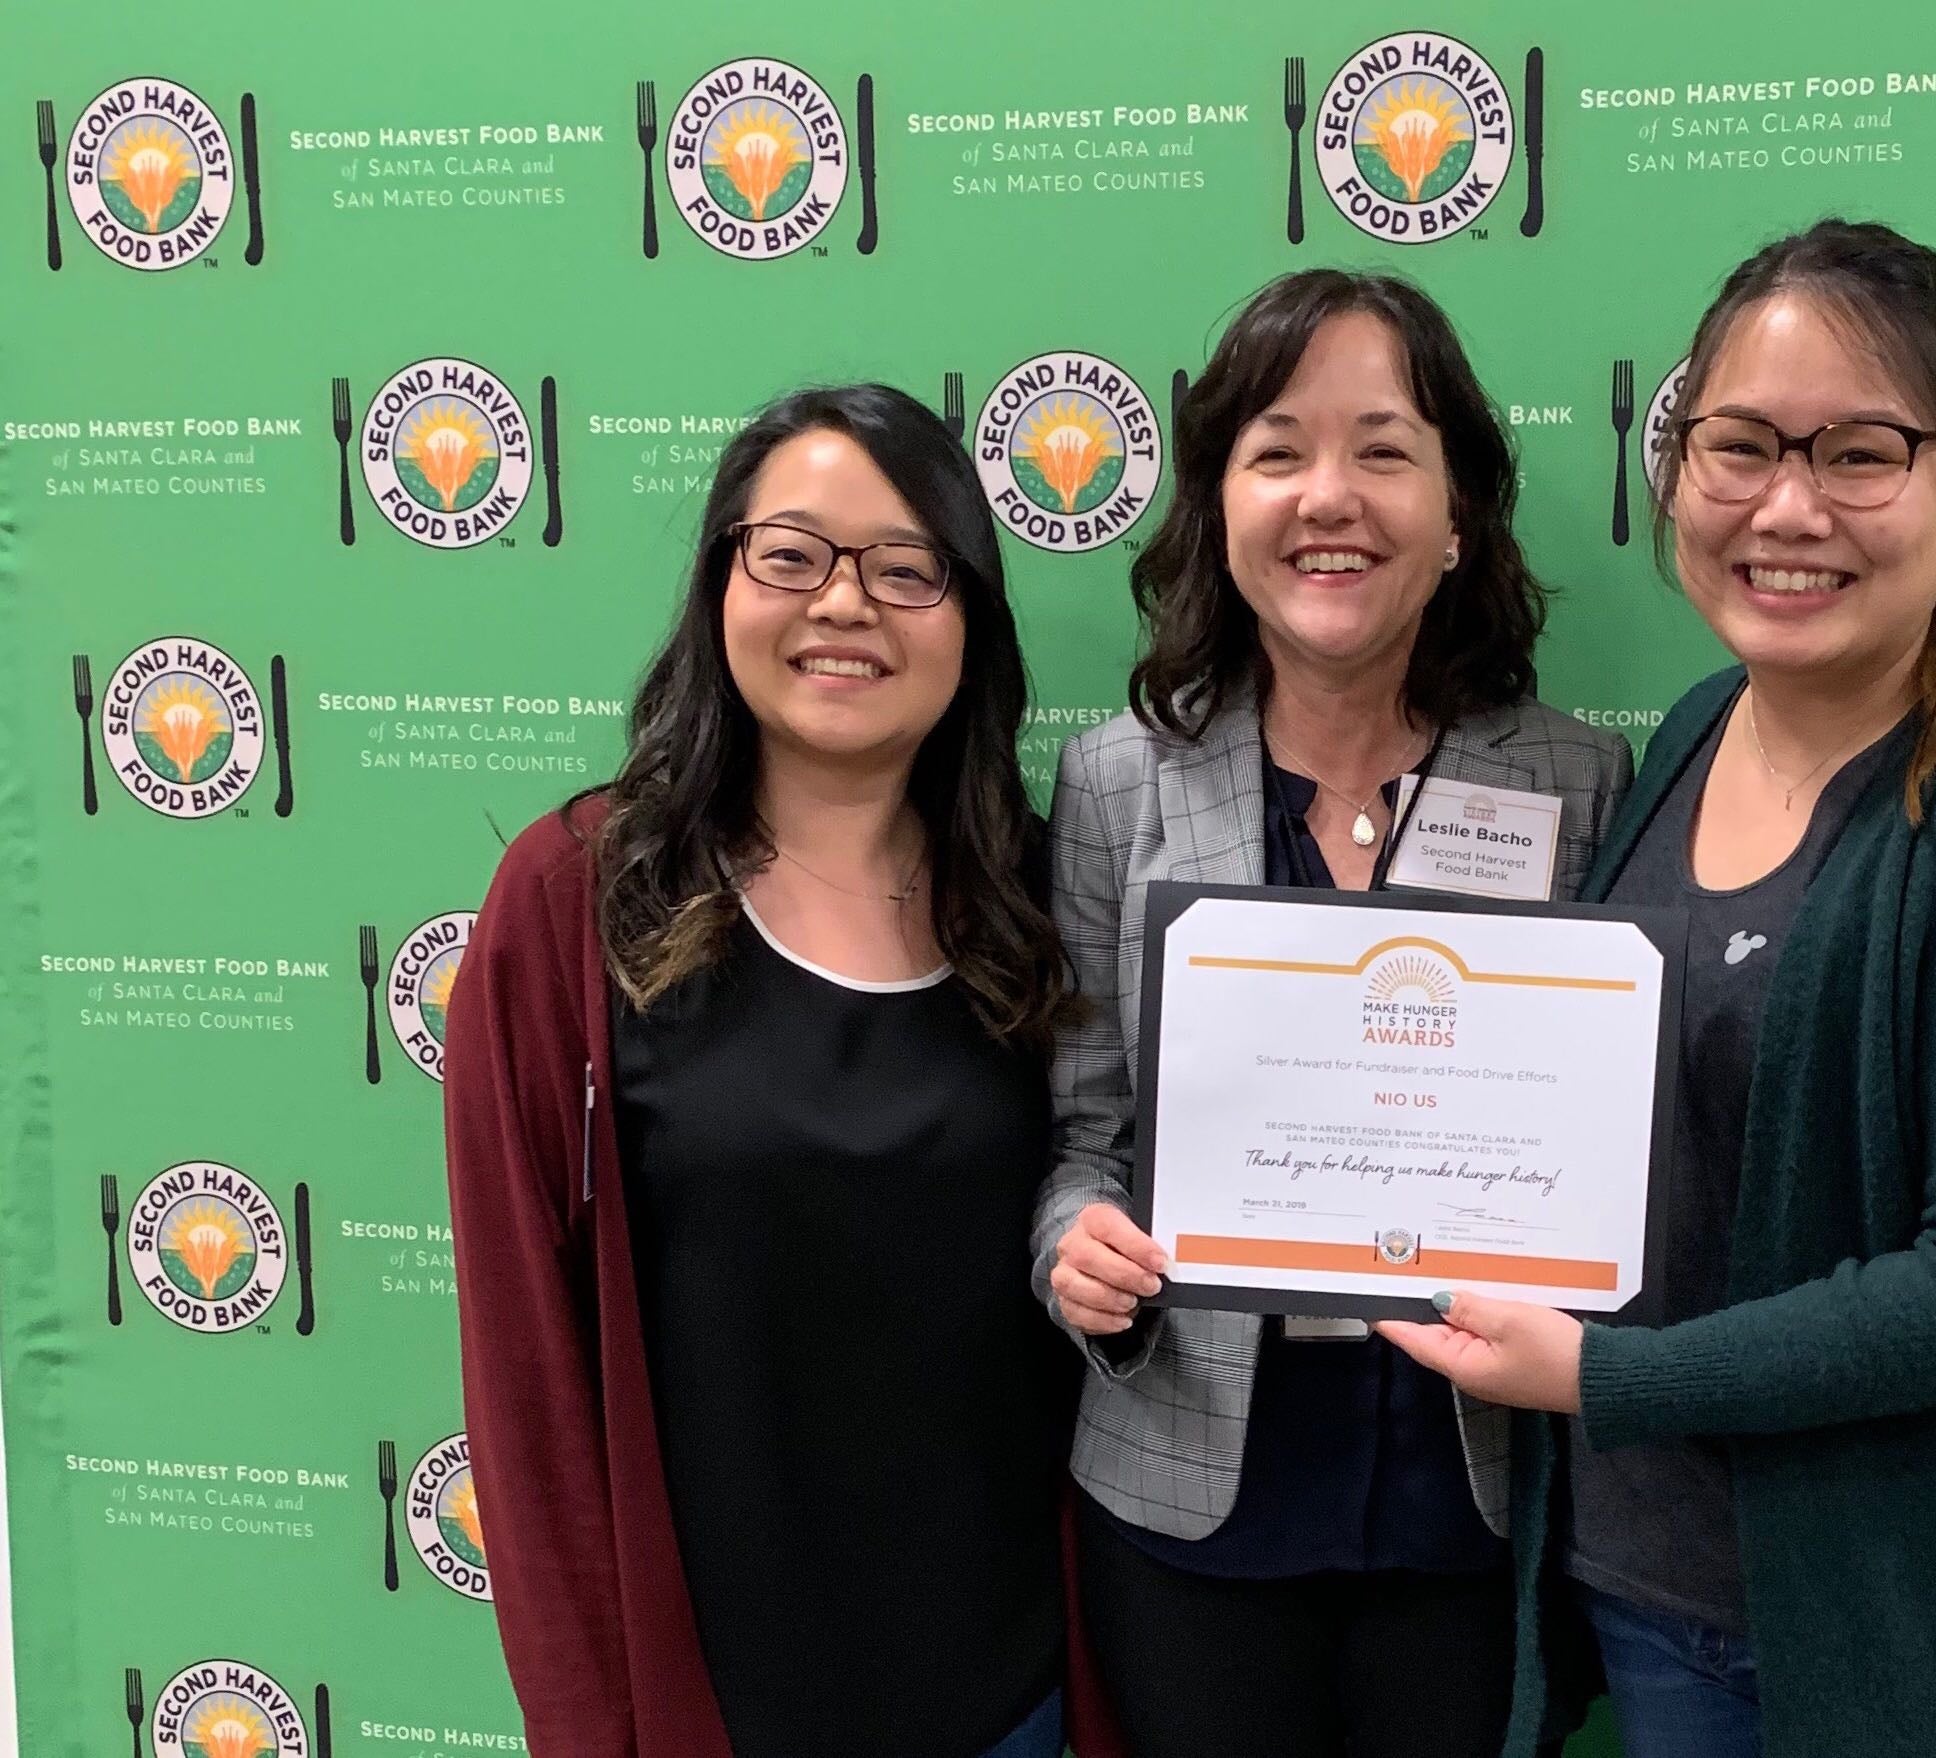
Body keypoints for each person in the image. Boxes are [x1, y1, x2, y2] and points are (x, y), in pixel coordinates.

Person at [1379, 218, 1936, 1758]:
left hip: (1918, 1634)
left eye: (1860, 454)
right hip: (1664, 1587)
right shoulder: (1701, 725)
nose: (1785, 506)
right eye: (1740, 444)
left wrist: (1609, 1376)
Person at [1032, 269, 1634, 1758]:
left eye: (1383, 447)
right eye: (1279, 449)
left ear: (1456, 514)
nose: (1330, 496)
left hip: (1475, 1506)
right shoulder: (1119, 780)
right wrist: (1072, 1245)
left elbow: (1607, 1138)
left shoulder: (1575, 780)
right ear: (1217, 504)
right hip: (1189, 1501)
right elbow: (1080, 1128)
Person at [444, 384, 1089, 1758]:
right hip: (719, 1710)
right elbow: (527, 1375)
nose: (844, 603)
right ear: (720, 581)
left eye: (905, 568)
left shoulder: (1045, 903)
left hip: (1017, 1699)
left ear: (971, 618)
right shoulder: (575, 900)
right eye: (790, 554)